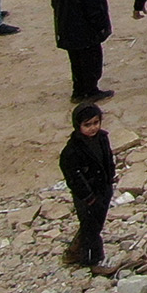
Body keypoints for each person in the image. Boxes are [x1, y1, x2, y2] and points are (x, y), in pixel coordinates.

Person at [52, 0, 113, 103]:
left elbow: (54, 2)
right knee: (92, 62)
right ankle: (91, 90)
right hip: (86, 32)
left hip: (66, 29)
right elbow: (95, 10)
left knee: (76, 62)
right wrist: (102, 28)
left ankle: (78, 91)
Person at [59, 103, 115, 270]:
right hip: (87, 195)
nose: (93, 128)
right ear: (78, 126)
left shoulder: (102, 138)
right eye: (87, 125)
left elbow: (108, 159)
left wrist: (110, 178)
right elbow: (73, 176)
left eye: (96, 123)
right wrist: (88, 197)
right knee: (91, 227)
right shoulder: (72, 150)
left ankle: (74, 252)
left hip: (103, 189)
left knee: (95, 224)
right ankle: (92, 260)